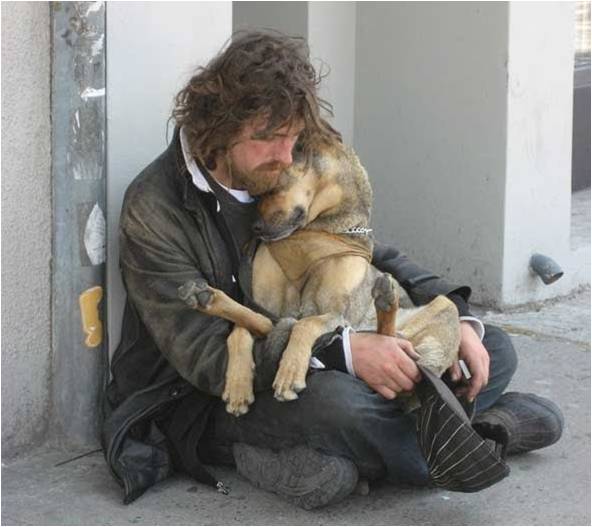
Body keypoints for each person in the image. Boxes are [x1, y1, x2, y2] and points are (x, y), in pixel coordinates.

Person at [101, 31, 563, 509]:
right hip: (204, 396)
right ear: (217, 128)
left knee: (491, 348)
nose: (286, 156)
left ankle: (366, 452)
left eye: (294, 136)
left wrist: (455, 312)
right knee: (341, 405)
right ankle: (486, 433)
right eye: (269, 139)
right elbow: (206, 358)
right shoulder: (152, 210)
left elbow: (357, 244)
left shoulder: (277, 165)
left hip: (314, 345)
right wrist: (344, 352)